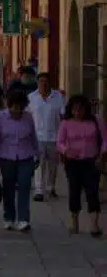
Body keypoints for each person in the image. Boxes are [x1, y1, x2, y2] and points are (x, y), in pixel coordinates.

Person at [57, 94, 107, 236]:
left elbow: (105, 140)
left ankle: (94, 224)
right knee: (74, 190)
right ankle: (74, 221)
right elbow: (59, 142)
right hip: (73, 162)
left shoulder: (96, 121)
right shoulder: (65, 123)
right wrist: (66, 150)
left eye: (80, 109)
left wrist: (101, 155)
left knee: (92, 191)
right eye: (75, 110)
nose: (78, 113)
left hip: (92, 160)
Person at [0, 89, 40, 231]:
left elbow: (33, 137)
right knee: (9, 189)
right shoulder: (0, 117)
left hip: (26, 156)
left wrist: (37, 154)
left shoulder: (28, 117)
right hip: (6, 157)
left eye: (19, 107)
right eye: (13, 106)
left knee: (24, 187)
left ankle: (23, 219)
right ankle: (9, 217)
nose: (16, 110)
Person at [28, 72, 66, 201]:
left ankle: (51, 188)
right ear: (37, 83)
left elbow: (63, 115)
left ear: (50, 83)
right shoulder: (31, 97)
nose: (43, 84)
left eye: (45, 81)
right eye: (41, 81)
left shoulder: (58, 97)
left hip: (54, 136)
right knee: (39, 164)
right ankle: (39, 190)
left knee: (53, 165)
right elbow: (27, 117)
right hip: (37, 136)